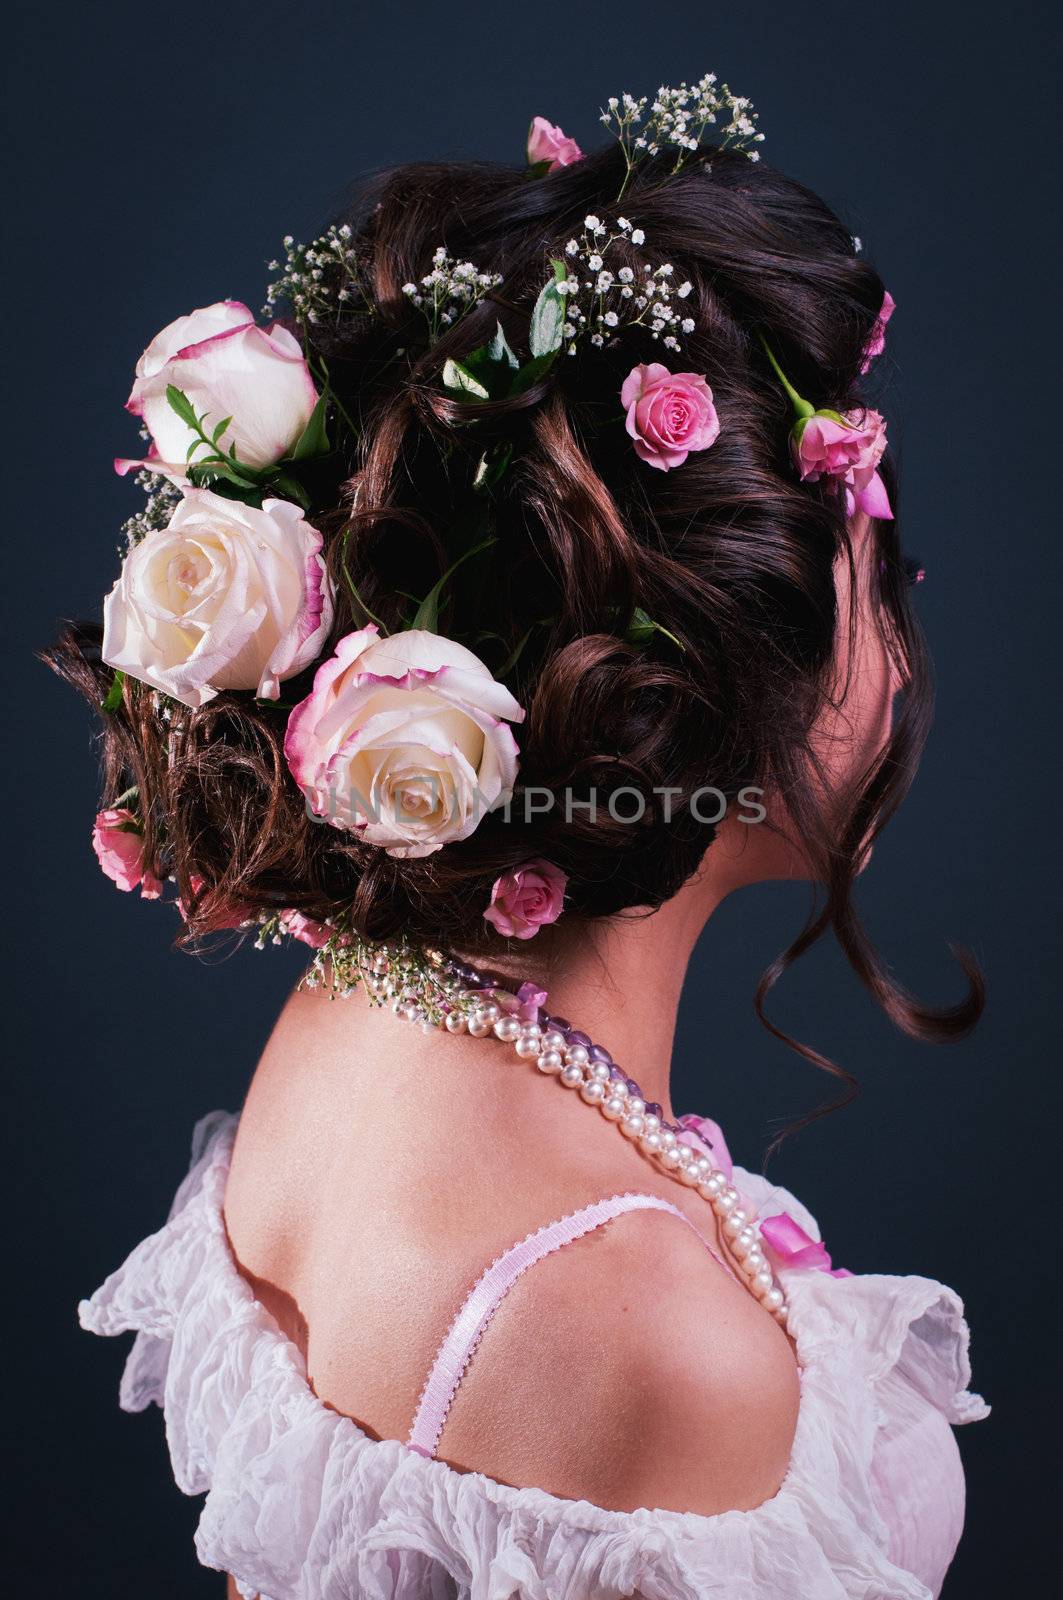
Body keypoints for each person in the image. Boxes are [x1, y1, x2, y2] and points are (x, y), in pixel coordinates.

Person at [59, 75, 987, 1600]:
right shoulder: (642, 1334)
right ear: (718, 679)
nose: (902, 636)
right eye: (879, 571)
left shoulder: (358, 1005)